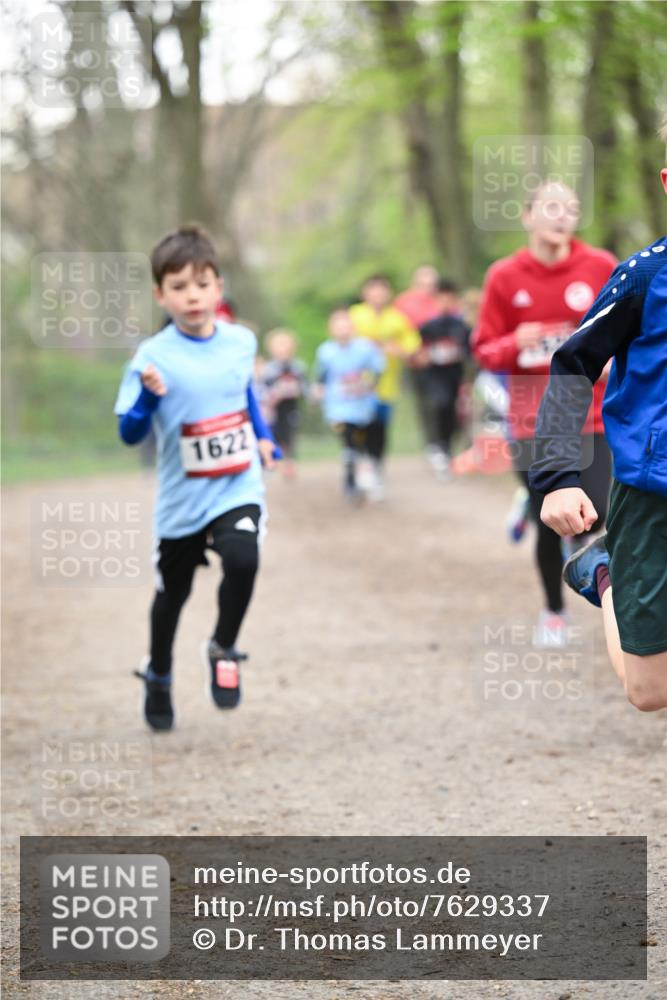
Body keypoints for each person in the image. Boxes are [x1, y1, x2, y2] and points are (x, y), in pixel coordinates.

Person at [114, 225, 279, 731]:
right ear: (160, 295)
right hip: (182, 498)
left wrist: (264, 435)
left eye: (202, 284)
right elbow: (128, 431)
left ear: (218, 289)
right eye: (179, 287)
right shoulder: (151, 357)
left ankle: (223, 646)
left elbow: (242, 393)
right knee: (173, 595)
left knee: (244, 558)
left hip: (236, 483)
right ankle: (159, 673)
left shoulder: (241, 341)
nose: (193, 296)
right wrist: (148, 397)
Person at [530, 118, 667, 711]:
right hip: (651, 490)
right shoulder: (643, 277)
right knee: (649, 693)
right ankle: (604, 571)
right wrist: (558, 478)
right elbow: (571, 367)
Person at [472, 181, 617, 646]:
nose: (562, 217)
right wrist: (516, 342)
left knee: (596, 515)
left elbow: (627, 333)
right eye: (552, 207)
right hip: (531, 416)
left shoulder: (600, 266)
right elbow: (484, 351)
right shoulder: (504, 276)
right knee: (547, 521)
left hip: (591, 414)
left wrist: (611, 361)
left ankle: (539, 507)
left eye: (572, 209)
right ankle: (554, 613)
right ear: (527, 215)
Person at [349, 275, 421, 497]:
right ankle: (358, 470)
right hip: (357, 388)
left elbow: (412, 346)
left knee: (379, 431)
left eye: (382, 290)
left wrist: (396, 349)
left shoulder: (397, 319)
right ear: (365, 292)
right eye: (374, 290)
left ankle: (376, 469)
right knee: (357, 429)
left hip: (387, 386)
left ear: (389, 293)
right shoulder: (354, 316)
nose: (378, 295)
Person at [314, 306, 385, 502]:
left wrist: (368, 383)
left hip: (363, 406)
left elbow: (377, 369)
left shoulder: (365, 348)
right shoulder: (326, 351)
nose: (343, 330)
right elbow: (321, 376)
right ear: (331, 329)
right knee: (348, 441)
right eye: (338, 326)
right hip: (338, 408)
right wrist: (318, 390)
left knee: (365, 443)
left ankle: (367, 474)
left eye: (346, 326)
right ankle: (350, 481)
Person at [412, 278, 471, 478]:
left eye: (449, 299)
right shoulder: (427, 328)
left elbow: (469, 352)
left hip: (455, 376)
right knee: (440, 404)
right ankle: (439, 447)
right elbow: (417, 353)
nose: (445, 303)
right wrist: (425, 357)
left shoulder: (462, 327)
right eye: (441, 299)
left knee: (455, 414)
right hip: (435, 377)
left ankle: (448, 448)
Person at [259, 328, 308, 480]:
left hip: (291, 407)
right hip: (273, 409)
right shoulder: (268, 369)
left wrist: (297, 390)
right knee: (274, 433)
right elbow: (262, 389)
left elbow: (305, 388)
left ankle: (289, 463)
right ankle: (271, 461)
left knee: (290, 435)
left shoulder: (298, 367)